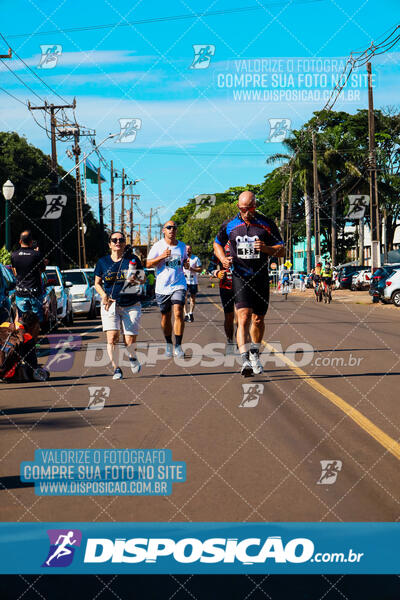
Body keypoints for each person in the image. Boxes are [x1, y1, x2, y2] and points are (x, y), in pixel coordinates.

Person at [213, 191, 285, 377]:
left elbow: (282, 250)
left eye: (248, 209)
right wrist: (223, 259)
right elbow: (217, 243)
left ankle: (254, 353)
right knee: (243, 316)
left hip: (260, 277)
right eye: (241, 209)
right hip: (240, 276)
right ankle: (244, 360)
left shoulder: (266, 224)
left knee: (258, 319)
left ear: (254, 206)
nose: (244, 212)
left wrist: (266, 248)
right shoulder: (230, 225)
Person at [94, 232, 145, 380]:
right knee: (112, 338)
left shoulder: (133, 260)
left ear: (124, 243)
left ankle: (132, 356)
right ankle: (116, 368)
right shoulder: (102, 262)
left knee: (129, 341)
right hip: (110, 303)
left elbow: (143, 280)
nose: (118, 242)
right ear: (110, 244)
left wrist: (136, 278)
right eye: (114, 240)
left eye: (121, 240)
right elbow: (97, 283)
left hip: (131, 304)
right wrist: (103, 295)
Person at [146, 221, 189, 358]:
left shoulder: (182, 246)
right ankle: (168, 344)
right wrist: (162, 256)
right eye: (169, 228)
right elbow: (148, 264)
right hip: (162, 286)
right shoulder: (158, 246)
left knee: (178, 312)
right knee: (166, 316)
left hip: (179, 284)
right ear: (164, 230)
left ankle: (178, 346)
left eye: (174, 228)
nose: (172, 230)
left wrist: (186, 264)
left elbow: (184, 262)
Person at [11, 230, 46, 323]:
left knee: (22, 320)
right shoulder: (37, 255)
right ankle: (34, 336)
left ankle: (24, 336)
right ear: (31, 242)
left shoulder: (14, 255)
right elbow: (42, 270)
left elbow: (15, 273)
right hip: (35, 292)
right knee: (36, 320)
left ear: (20, 241)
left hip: (20, 292)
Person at [207, 242, 235, 355]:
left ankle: (243, 343)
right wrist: (217, 272)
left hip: (243, 286)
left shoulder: (244, 242)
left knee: (242, 317)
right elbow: (210, 268)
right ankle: (230, 341)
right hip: (226, 287)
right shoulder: (220, 248)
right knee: (229, 317)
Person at [183, 245, 202, 323]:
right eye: (186, 249)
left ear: (191, 249)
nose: (187, 250)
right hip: (184, 281)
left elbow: (200, 269)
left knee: (192, 298)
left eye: (189, 248)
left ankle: (191, 313)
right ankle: (186, 314)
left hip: (193, 281)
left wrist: (192, 269)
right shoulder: (182, 258)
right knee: (184, 298)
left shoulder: (196, 258)